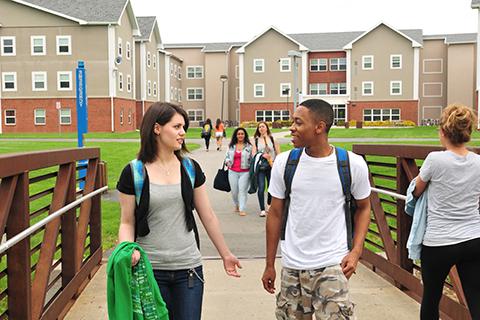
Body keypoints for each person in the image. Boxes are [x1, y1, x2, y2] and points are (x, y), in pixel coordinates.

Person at [116, 102, 241, 320]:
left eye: (184, 127)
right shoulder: (134, 172)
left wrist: (226, 254)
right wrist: (127, 250)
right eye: (177, 127)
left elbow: (207, 215)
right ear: (157, 128)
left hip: (189, 270)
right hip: (149, 271)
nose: (183, 132)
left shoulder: (190, 168)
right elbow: (127, 222)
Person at [261, 99, 371, 319]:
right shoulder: (284, 163)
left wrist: (356, 251)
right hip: (293, 266)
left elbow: (364, 207)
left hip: (332, 264)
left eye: (298, 123)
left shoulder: (352, 164)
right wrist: (270, 264)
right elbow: (274, 213)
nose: (292, 128)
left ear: (319, 127)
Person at [413, 104, 480, 320]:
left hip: (439, 241)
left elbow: (416, 191)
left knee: (432, 297)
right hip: (472, 238)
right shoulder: (478, 161)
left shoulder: (435, 159)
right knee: (476, 297)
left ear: (443, 132)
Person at [251, 121, 281, 217]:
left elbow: (278, 153)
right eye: (259, 127)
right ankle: (262, 209)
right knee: (261, 187)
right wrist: (262, 155)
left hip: (272, 166)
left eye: (263, 126)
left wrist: (275, 163)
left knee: (271, 187)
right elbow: (253, 154)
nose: (261, 128)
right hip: (261, 167)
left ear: (267, 128)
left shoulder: (273, 139)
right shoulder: (255, 140)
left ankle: (269, 204)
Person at [225, 127, 253, 216]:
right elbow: (227, 156)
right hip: (232, 171)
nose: (240, 135)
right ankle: (237, 204)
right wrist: (227, 161)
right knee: (234, 191)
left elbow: (253, 157)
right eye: (238, 134)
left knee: (242, 190)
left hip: (245, 171)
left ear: (245, 135)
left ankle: (242, 208)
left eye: (242, 134)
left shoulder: (249, 146)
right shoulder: (231, 146)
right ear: (236, 136)